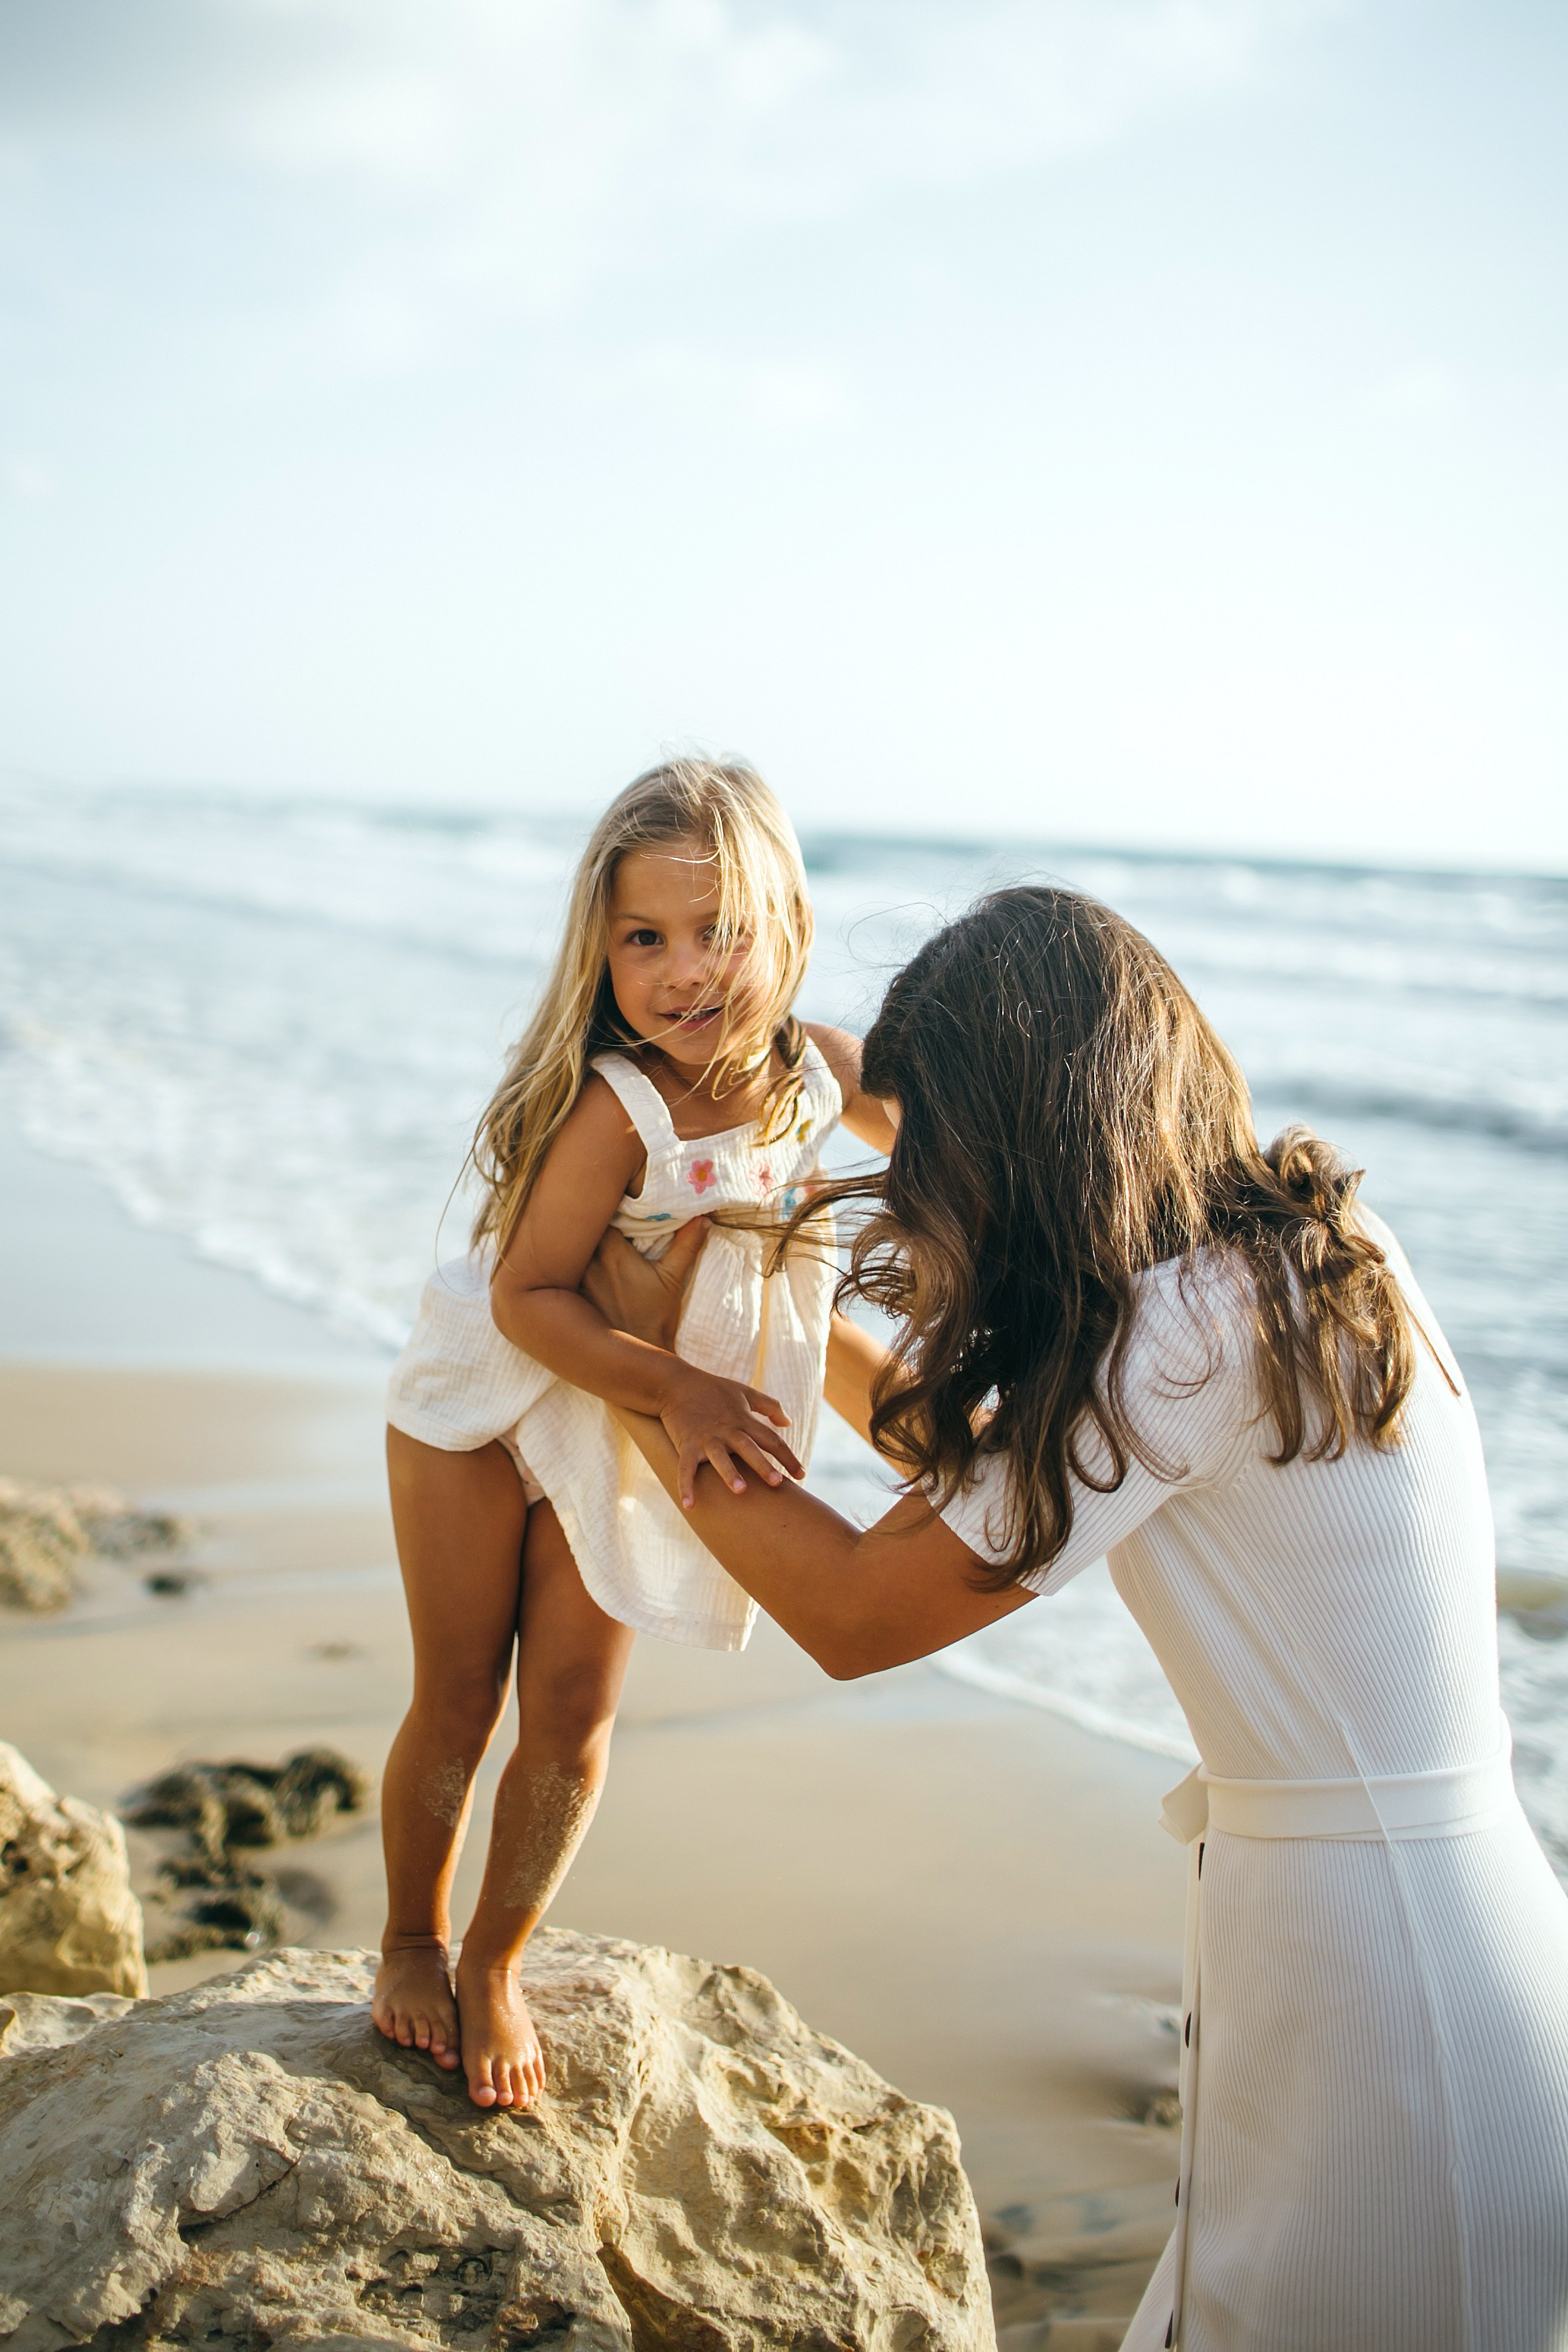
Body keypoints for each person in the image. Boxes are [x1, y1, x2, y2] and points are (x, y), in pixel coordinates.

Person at [596, 883, 1568, 2351]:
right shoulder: (1302, 1245)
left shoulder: (1177, 1336)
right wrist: (760, 1033)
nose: (915, 1183)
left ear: (1020, 1129)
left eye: (939, 1149)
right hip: (1403, 1920)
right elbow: (1002, 1480)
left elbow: (860, 1609)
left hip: (1384, 1991)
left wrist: (653, 1367)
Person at [373, 759, 895, 2110]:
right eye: (644, 938)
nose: (683, 971)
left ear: (786, 924)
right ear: (599, 951)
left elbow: (956, 1144)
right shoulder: (622, 1105)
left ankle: (499, 1958)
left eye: (721, 929)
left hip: (625, 1425)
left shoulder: (819, 1075)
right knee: (459, 1693)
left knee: (572, 1708)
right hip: (489, 1404)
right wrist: (677, 1389)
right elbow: (525, 1294)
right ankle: (414, 1938)